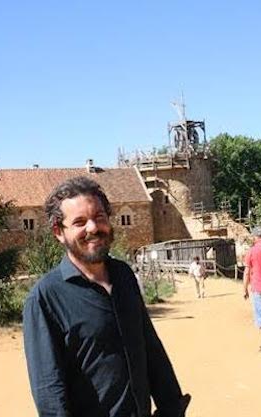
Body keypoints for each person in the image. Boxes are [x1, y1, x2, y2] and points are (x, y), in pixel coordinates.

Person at [23, 176, 190, 417]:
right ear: (59, 232)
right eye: (79, 222)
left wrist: (172, 406)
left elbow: (150, 347)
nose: (93, 228)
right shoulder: (45, 298)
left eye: (99, 217)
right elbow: (49, 390)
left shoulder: (124, 276)